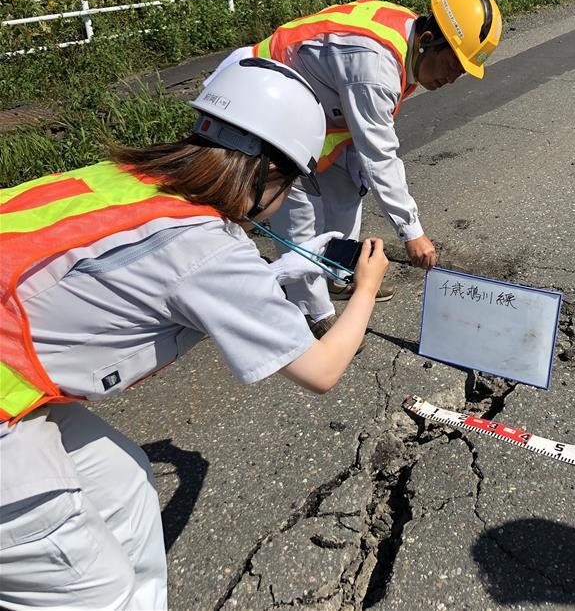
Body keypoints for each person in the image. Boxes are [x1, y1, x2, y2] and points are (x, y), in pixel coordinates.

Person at [0, 57, 388, 609]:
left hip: (17, 386)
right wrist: (367, 287)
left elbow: (173, 275)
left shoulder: (131, 179)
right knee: (93, 590)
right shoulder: (207, 250)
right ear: (268, 172)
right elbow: (321, 370)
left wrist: (275, 273)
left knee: (128, 486)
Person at [204, 0, 503, 343]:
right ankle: (313, 312)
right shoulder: (375, 66)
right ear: (427, 39)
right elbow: (380, 154)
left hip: (311, 110)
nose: (452, 79)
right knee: (300, 213)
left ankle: (339, 272)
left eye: (462, 73)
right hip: (261, 106)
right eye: (453, 65)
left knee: (348, 188)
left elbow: (363, 132)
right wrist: (412, 232)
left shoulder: (406, 42)